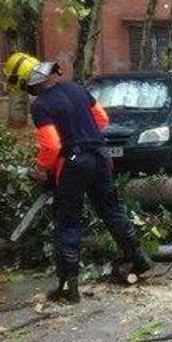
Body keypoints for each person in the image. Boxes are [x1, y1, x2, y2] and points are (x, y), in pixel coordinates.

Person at [2, 52, 152, 304]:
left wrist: (41, 169)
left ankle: (68, 287)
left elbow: (51, 146)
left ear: (28, 82)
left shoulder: (40, 106)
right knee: (111, 210)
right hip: (100, 157)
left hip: (74, 163)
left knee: (67, 222)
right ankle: (138, 258)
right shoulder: (76, 89)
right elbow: (102, 119)